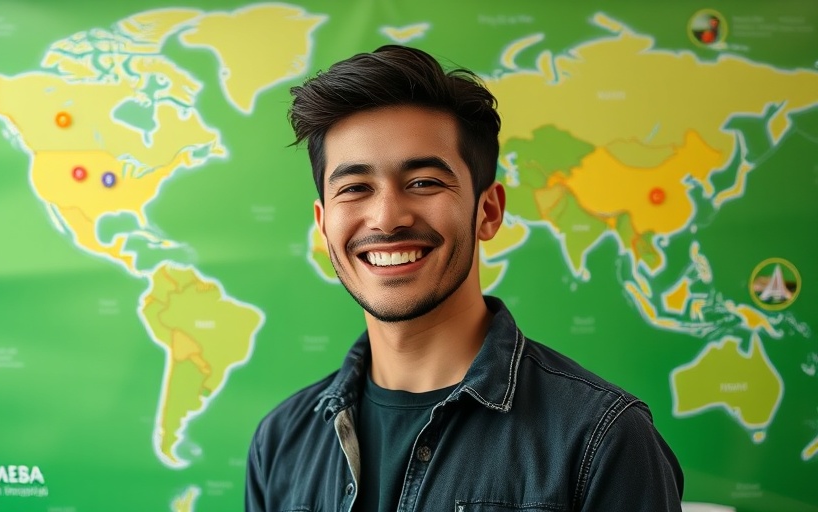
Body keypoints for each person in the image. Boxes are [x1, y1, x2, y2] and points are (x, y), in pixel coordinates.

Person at [246, 45, 683, 511]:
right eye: (354, 189)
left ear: (488, 211)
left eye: (424, 182)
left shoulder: (603, 439)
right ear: (324, 223)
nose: (387, 218)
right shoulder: (280, 442)